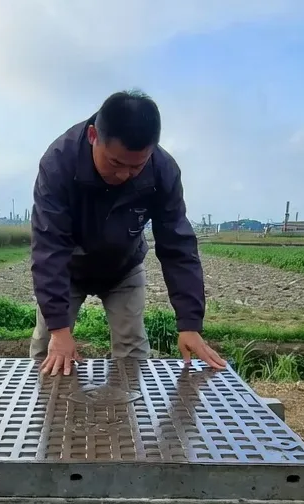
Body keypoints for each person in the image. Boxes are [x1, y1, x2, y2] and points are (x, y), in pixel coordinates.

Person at [29, 89, 226, 376]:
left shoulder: (163, 170)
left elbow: (178, 247)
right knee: (49, 345)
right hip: (68, 269)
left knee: (132, 349)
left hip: (123, 268)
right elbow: (49, 246)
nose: (124, 175)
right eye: (115, 163)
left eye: (137, 166)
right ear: (94, 135)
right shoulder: (59, 162)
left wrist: (190, 324)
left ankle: (128, 417)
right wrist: (59, 329)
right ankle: (44, 416)